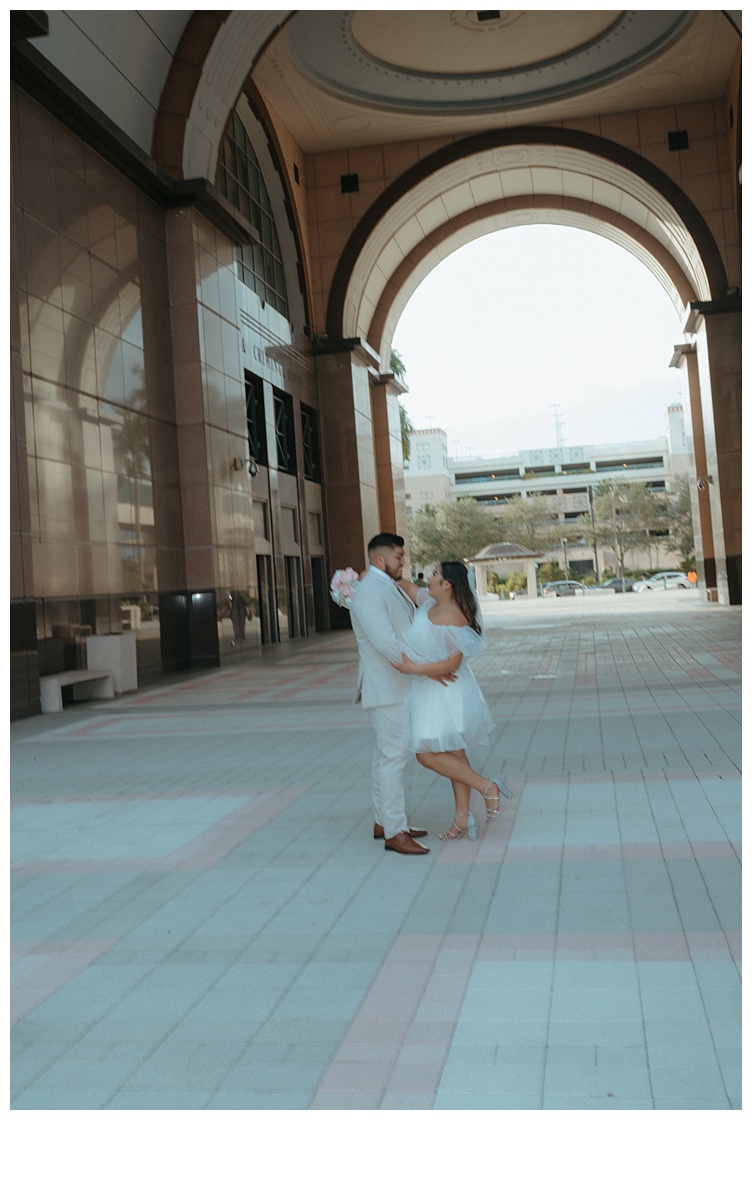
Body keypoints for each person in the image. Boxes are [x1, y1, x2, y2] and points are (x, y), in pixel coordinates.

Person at [350, 533, 459, 855]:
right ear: (380, 559)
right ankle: (395, 833)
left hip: (397, 685)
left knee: (386, 756)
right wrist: (427, 668)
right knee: (393, 758)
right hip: (387, 688)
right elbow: (386, 643)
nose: (403, 561)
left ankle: (385, 820)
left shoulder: (386, 586)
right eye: (398, 556)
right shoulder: (369, 591)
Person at [392, 562, 512, 842]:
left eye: (434, 575)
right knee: (455, 755)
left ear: (447, 584)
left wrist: (415, 670)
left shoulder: (453, 614)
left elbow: (454, 663)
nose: (428, 578)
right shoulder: (428, 601)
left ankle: (487, 787)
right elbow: (408, 587)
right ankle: (462, 817)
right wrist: (378, 580)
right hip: (429, 689)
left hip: (446, 691)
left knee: (426, 755)